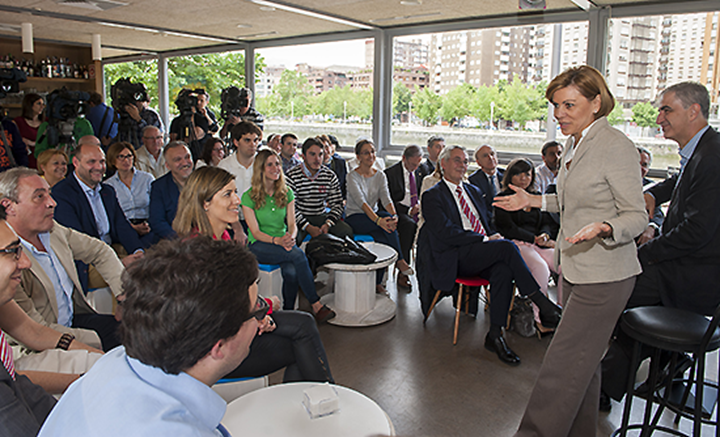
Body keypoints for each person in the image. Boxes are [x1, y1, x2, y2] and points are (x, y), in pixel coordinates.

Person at [493, 65, 646, 436]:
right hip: (576, 268)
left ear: (596, 103)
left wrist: (607, 227)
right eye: (556, 105)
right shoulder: (576, 144)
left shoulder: (615, 146)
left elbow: (637, 216)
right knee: (584, 364)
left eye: (568, 105)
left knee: (561, 366)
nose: (559, 113)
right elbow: (568, 200)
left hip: (606, 274)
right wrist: (532, 200)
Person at [37, 237, 261, 436]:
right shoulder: (175, 431)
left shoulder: (114, 362)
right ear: (218, 345)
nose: (260, 320)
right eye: (257, 311)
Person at [600, 81, 720, 411]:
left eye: (666, 109)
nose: (659, 117)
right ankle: (666, 359)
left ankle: (603, 384)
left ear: (694, 111)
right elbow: (681, 181)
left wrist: (643, 255)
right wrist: (653, 193)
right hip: (690, 266)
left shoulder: (711, 158)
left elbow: (695, 232)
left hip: (693, 278)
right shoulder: (704, 148)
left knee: (615, 296)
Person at [173, 166, 334, 383]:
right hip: (211, 348)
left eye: (235, 192)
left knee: (303, 327)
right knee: (302, 340)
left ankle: (320, 399)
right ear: (205, 203)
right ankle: (326, 396)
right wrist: (258, 314)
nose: (237, 201)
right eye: (227, 194)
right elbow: (210, 312)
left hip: (235, 325)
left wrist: (257, 315)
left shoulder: (223, 238)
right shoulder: (197, 249)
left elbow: (234, 295)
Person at [418, 145, 561, 365]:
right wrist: (485, 240)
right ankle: (541, 301)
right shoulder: (432, 196)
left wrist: (491, 235)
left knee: (503, 270)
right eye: (457, 160)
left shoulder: (473, 191)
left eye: (465, 161)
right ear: (443, 164)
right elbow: (445, 233)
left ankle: (495, 335)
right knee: (506, 248)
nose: (462, 165)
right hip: (456, 256)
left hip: (482, 252)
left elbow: (489, 223)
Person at [0, 168, 128, 352]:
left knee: (140, 329)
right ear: (9, 206)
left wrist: (124, 297)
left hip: (73, 319)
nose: (52, 203)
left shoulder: (53, 231)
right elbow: (36, 332)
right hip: (44, 341)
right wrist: (97, 346)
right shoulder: (7, 263)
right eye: (39, 197)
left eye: (49, 195)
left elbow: (100, 251)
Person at [241, 149, 336, 323]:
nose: (276, 168)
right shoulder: (249, 197)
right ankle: (316, 305)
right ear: (260, 169)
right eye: (269, 164)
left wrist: (291, 237)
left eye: (277, 164)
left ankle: (289, 311)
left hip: (282, 243)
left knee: (291, 271)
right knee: (297, 255)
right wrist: (277, 240)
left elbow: (292, 224)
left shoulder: (286, 192)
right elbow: (255, 232)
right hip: (259, 244)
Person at [51, 138, 146, 292]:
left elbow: (122, 225)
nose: (99, 167)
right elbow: (78, 241)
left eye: (101, 162)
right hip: (85, 261)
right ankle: (124, 314)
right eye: (91, 162)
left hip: (111, 250)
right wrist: (118, 261)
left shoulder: (107, 190)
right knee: (129, 275)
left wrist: (137, 251)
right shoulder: (61, 194)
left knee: (151, 263)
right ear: (76, 162)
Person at [494, 158, 560, 332]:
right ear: (510, 177)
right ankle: (539, 318)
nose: (524, 178)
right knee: (541, 268)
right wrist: (534, 238)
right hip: (517, 244)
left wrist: (545, 234)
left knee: (564, 264)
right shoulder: (502, 198)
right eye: (518, 174)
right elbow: (507, 228)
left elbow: (546, 221)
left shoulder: (536, 196)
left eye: (527, 174)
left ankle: (560, 312)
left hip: (539, 243)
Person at [345, 139, 413, 294]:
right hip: (356, 217)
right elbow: (362, 202)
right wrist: (378, 221)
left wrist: (394, 216)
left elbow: (386, 198)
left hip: (374, 217)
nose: (371, 155)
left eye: (372, 151)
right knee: (384, 222)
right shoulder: (352, 176)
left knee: (384, 237)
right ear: (358, 156)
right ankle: (400, 260)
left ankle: (377, 283)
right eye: (366, 152)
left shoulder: (380, 175)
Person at [285, 137, 353, 245]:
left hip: (321, 216)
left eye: (320, 154)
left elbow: (337, 204)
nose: (317, 159)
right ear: (303, 156)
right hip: (300, 217)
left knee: (346, 232)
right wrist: (308, 227)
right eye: (312, 154)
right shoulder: (291, 176)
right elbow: (291, 208)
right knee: (292, 239)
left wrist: (328, 224)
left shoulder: (329, 175)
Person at [384, 144, 423, 289]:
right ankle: (403, 271)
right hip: (400, 211)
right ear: (403, 158)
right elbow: (387, 201)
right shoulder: (390, 173)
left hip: (419, 209)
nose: (415, 167)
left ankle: (429, 272)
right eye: (412, 164)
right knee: (408, 226)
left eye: (418, 163)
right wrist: (408, 210)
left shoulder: (421, 171)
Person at [104, 142, 155, 246]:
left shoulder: (147, 179)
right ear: (113, 160)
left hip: (147, 224)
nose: (126, 160)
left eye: (129, 156)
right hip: (123, 226)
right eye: (121, 157)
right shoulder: (108, 185)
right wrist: (131, 227)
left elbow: (156, 205)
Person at [218, 121, 261, 240]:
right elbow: (222, 203)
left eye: (256, 140)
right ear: (236, 142)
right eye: (247, 140)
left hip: (260, 218)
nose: (253, 144)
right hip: (233, 220)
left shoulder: (264, 163)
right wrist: (237, 229)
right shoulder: (225, 166)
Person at [148, 141, 194, 242]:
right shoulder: (159, 186)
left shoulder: (203, 181)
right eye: (178, 160)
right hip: (174, 242)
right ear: (168, 166)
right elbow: (157, 221)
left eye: (187, 157)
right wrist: (179, 239)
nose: (185, 163)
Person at [635, 146, 664, 245]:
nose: (640, 168)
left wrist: (651, 227)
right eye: (636, 163)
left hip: (640, 239)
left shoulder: (652, 188)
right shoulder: (612, 185)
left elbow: (657, 214)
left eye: (644, 165)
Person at [468, 144, 504, 213]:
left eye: (492, 154)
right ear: (478, 162)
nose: (490, 157)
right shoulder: (473, 180)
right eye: (485, 156)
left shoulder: (506, 175)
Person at [13, 93, 45, 169]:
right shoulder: (18, 122)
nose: (42, 107)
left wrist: (32, 143)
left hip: (42, 160)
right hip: (25, 160)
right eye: (38, 103)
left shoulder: (46, 123)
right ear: (30, 105)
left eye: (43, 104)